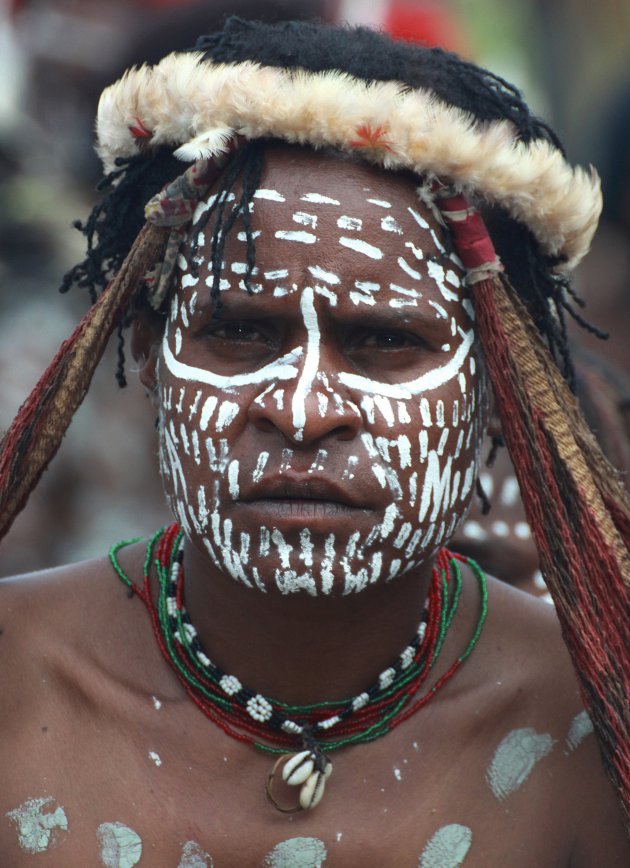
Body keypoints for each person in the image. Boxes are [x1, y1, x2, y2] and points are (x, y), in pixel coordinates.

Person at [1, 17, 629, 866]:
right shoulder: (17, 683)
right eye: (242, 333)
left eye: (384, 342)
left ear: (495, 391)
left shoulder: (598, 719)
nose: (301, 410)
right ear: (148, 353)